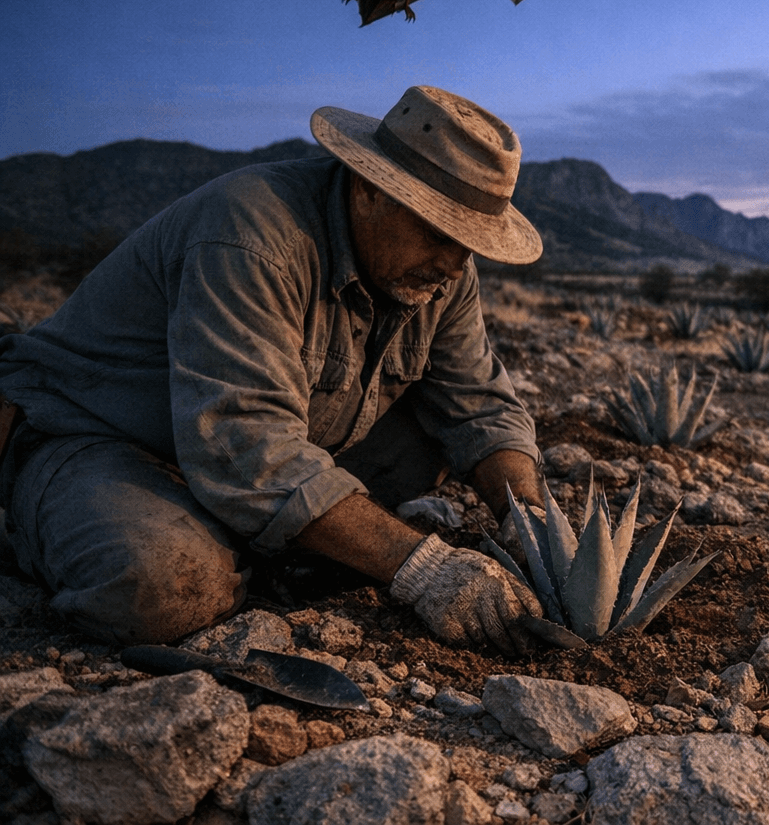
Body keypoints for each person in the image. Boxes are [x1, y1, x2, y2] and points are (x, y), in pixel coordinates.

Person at [0, 85, 549, 651]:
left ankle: (271, 541)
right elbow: (245, 442)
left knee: (432, 439)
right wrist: (424, 568)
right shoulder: (254, 233)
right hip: (101, 437)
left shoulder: (442, 272)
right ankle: (29, 517)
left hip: (257, 448)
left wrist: (530, 522)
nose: (456, 265)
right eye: (440, 232)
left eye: (471, 245)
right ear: (369, 189)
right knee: (165, 587)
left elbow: (479, 403)